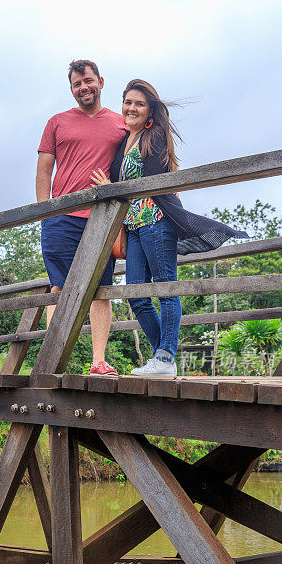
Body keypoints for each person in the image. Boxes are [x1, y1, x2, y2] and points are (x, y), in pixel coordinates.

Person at [91, 79, 248, 377]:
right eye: (128, 102)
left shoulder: (156, 136)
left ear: (150, 109)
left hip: (158, 222)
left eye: (139, 103)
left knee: (166, 289)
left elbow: (153, 183)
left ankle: (164, 357)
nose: (132, 108)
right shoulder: (124, 143)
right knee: (136, 295)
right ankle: (164, 358)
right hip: (135, 226)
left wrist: (114, 188)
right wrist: (112, 187)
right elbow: (125, 186)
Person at [36, 59, 127, 376]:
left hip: (102, 219)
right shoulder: (57, 122)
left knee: (99, 289)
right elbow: (44, 169)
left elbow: (135, 164)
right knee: (59, 288)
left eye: (88, 81)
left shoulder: (121, 124)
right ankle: (52, 359)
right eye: (76, 84)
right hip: (60, 216)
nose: (83, 87)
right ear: (71, 89)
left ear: (101, 81)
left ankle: (99, 361)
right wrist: (44, 212)